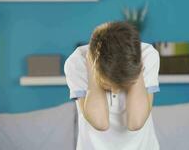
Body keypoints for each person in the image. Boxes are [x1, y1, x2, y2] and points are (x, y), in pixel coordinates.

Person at [64, 21, 160, 150]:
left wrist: (135, 64)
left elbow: (135, 122)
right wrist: (93, 68)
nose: (115, 90)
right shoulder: (76, 62)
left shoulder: (148, 55)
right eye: (108, 85)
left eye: (122, 86)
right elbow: (100, 123)